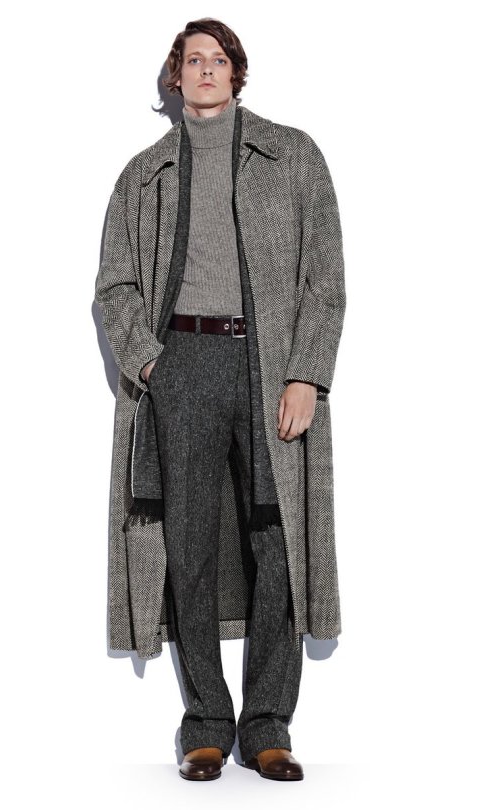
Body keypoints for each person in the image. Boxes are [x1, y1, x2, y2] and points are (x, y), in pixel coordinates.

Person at [95, 17, 346, 782]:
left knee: (279, 539)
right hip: (183, 364)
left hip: (268, 365)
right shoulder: (144, 175)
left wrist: (305, 375)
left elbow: (325, 279)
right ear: (175, 77)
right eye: (193, 60)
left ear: (236, 73)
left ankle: (267, 726)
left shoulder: (292, 156)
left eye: (219, 59)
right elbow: (114, 286)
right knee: (190, 546)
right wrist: (151, 364)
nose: (206, 70)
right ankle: (205, 723)